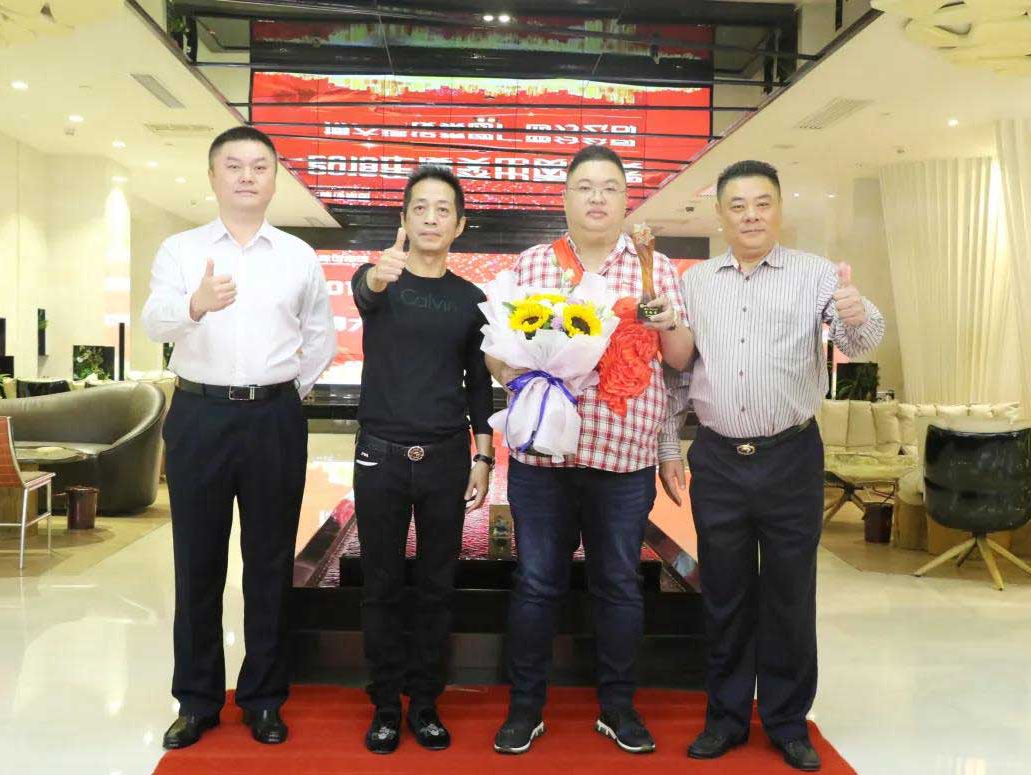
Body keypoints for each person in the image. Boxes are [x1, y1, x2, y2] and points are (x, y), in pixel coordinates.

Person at [671, 160, 884, 772]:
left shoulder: (816, 275)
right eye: (737, 206)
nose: (751, 216)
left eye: (762, 203)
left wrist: (855, 311)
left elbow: (863, 341)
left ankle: (788, 722)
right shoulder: (696, 283)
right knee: (725, 594)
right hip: (718, 458)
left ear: (779, 209)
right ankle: (726, 718)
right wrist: (666, 447)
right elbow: (679, 374)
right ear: (720, 214)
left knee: (791, 595)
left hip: (790, 455)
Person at [485, 145, 693, 756]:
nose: (597, 198)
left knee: (619, 585)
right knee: (535, 583)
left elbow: (679, 361)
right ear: (566, 197)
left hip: (624, 458)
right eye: (585, 187)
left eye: (609, 187)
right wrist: (516, 374)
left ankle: (619, 707)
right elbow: (496, 351)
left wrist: (665, 323)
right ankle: (525, 708)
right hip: (542, 460)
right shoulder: (532, 264)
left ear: (626, 199)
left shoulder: (656, 269)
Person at [141, 126, 336, 749]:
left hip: (273, 420)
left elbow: (321, 337)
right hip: (199, 415)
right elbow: (154, 322)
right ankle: (197, 701)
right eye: (233, 165)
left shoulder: (298, 256)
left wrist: (284, 392)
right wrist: (195, 305)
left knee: (270, 563)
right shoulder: (180, 249)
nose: (246, 175)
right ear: (213, 176)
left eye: (259, 166)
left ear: (275, 178)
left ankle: (264, 699)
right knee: (197, 563)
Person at [351, 166, 494, 754]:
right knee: (381, 586)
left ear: (458, 225)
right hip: (378, 457)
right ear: (404, 218)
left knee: (437, 586)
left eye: (443, 210)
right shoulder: (378, 277)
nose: (431, 218)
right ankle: (387, 705)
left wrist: (484, 455)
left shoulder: (471, 299)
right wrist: (377, 278)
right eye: (420, 208)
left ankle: (427, 704)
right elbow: (364, 294)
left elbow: (479, 384)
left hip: (444, 459)